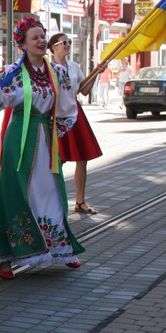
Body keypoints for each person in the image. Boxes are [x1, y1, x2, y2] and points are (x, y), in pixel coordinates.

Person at [0, 17, 84, 279]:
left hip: (46, 141)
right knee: (13, 194)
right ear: (23, 45)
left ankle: (61, 248)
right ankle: (5, 257)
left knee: (52, 193)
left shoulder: (58, 72)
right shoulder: (11, 72)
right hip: (19, 140)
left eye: (43, 36)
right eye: (35, 38)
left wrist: (56, 133)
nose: (41, 41)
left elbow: (68, 109)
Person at [48, 33, 103, 215]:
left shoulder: (73, 66)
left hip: (74, 110)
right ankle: (53, 200)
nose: (68, 45)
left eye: (69, 42)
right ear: (54, 47)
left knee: (82, 158)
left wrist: (96, 73)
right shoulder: (48, 67)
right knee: (57, 159)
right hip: (57, 113)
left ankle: (80, 201)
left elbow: (84, 91)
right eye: (64, 42)